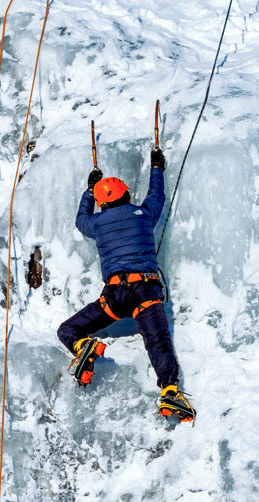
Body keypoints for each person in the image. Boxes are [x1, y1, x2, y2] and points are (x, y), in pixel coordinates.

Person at [56, 147, 196, 422]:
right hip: (144, 291)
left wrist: (89, 189)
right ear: (127, 195)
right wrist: (157, 166)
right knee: (158, 342)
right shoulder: (142, 215)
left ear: (101, 203)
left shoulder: (95, 223)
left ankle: (83, 346)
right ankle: (169, 391)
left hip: (115, 296)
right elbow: (157, 197)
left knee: (68, 329)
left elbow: (80, 220)